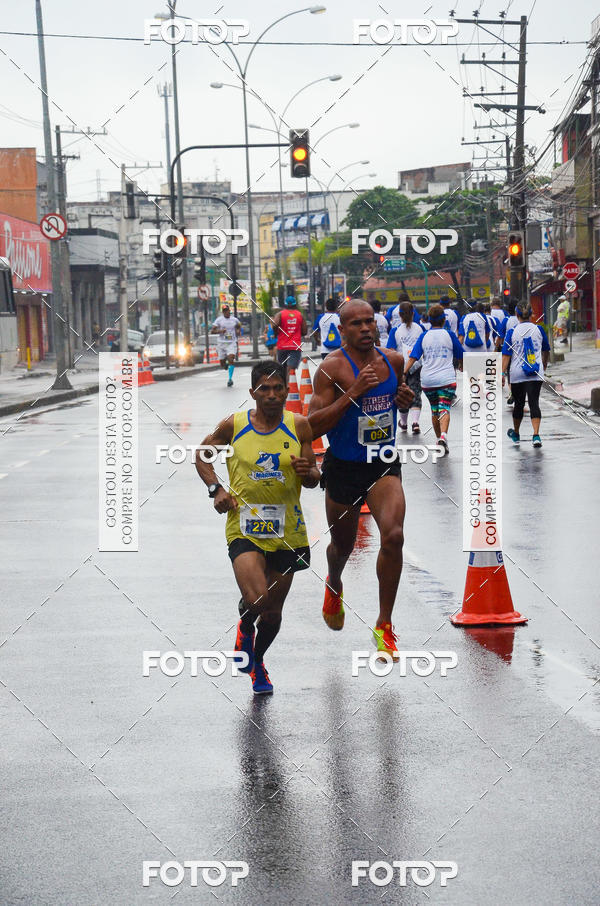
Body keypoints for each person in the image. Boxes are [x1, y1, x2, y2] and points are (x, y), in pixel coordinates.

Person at [195, 360, 320, 694]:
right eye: (264, 388)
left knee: (274, 615)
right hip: (244, 527)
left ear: (287, 390)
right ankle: (245, 620)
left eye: (278, 388)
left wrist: (309, 471)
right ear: (252, 392)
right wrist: (216, 489)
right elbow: (202, 455)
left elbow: (313, 479)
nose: (271, 394)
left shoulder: (300, 426)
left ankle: (257, 660)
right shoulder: (233, 425)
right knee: (259, 599)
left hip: (288, 532)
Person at [308, 299, 415, 659]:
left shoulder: (393, 361)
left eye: (370, 321)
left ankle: (384, 624)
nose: (366, 328)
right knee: (343, 547)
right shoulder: (331, 368)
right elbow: (312, 425)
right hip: (343, 466)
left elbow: (393, 403)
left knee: (394, 535)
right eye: (356, 324)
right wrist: (352, 393)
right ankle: (334, 581)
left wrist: (403, 399)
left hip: (383, 463)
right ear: (342, 330)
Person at [404, 302, 463, 455]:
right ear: (444, 320)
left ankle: (439, 440)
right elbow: (461, 354)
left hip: (428, 381)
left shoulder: (424, 336)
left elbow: (413, 357)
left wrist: (403, 373)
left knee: (434, 410)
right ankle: (443, 436)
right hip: (446, 379)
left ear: (430, 320)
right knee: (444, 407)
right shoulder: (449, 335)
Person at [502, 303, 550, 448]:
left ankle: (516, 433)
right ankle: (536, 435)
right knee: (534, 403)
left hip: (517, 375)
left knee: (519, 404)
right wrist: (543, 364)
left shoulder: (512, 332)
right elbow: (546, 350)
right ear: (531, 315)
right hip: (536, 373)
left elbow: (506, 355)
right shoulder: (539, 329)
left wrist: (502, 373)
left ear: (517, 316)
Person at [386, 301, 424, 434]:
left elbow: (390, 350)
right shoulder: (420, 329)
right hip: (416, 366)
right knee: (416, 393)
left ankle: (403, 423)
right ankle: (415, 422)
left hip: (400, 367)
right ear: (413, 313)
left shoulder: (395, 331)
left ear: (400, 315)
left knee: (402, 394)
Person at [273, 295, 307, 376]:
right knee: (290, 370)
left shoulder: (280, 314)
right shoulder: (300, 315)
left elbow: (275, 325)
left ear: (285, 305)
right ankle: (288, 386)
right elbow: (304, 332)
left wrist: (276, 333)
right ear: (295, 305)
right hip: (295, 347)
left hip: (282, 347)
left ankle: (284, 386)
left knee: (282, 370)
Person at [211, 304, 241, 386]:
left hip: (231, 342)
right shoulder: (219, 320)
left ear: (229, 311)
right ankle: (225, 365)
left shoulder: (234, 320)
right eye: (224, 311)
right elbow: (212, 331)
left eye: (227, 310)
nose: (226, 312)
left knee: (231, 359)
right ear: (223, 312)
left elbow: (238, 326)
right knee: (222, 363)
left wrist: (238, 331)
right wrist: (220, 331)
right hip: (221, 343)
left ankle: (230, 379)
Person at [503, 300, 519, 405]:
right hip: (522, 349)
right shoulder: (523, 321)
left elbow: (500, 335)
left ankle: (512, 392)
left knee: (510, 371)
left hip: (510, 348)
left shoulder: (506, 320)